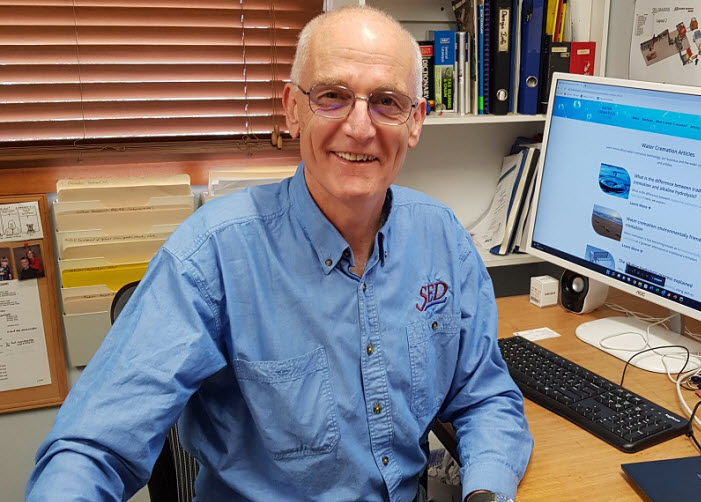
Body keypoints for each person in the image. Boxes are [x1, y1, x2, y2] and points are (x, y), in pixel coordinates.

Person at [26, 6, 532, 502]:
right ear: (293, 108)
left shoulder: (442, 239)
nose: (360, 127)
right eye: (332, 97)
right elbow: (90, 448)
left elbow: (485, 396)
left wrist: (485, 490)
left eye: (386, 102)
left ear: (415, 122)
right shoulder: (213, 257)